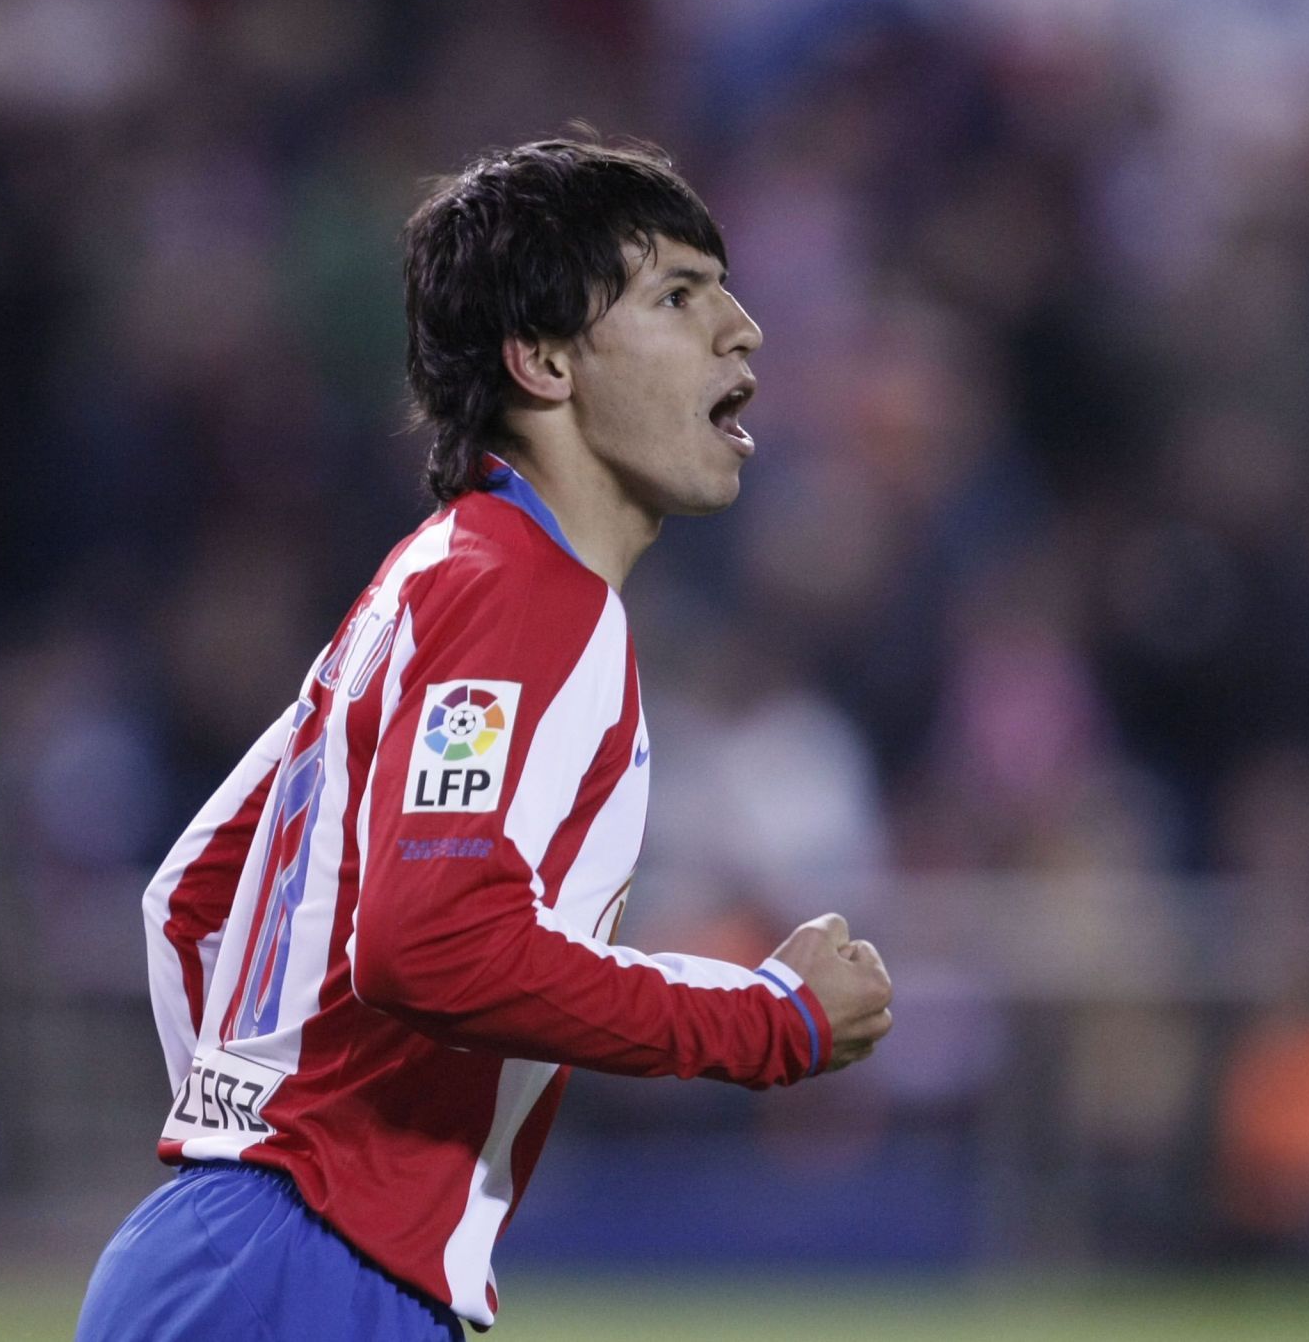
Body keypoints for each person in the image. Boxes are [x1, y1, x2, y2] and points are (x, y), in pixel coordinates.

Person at [75, 135, 895, 1341]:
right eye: (678, 293)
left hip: (240, 1254)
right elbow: (433, 939)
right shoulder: (525, 596)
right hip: (309, 1272)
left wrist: (253, 1138)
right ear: (544, 358)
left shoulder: (430, 581)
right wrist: (770, 1019)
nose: (743, 328)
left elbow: (191, 901)